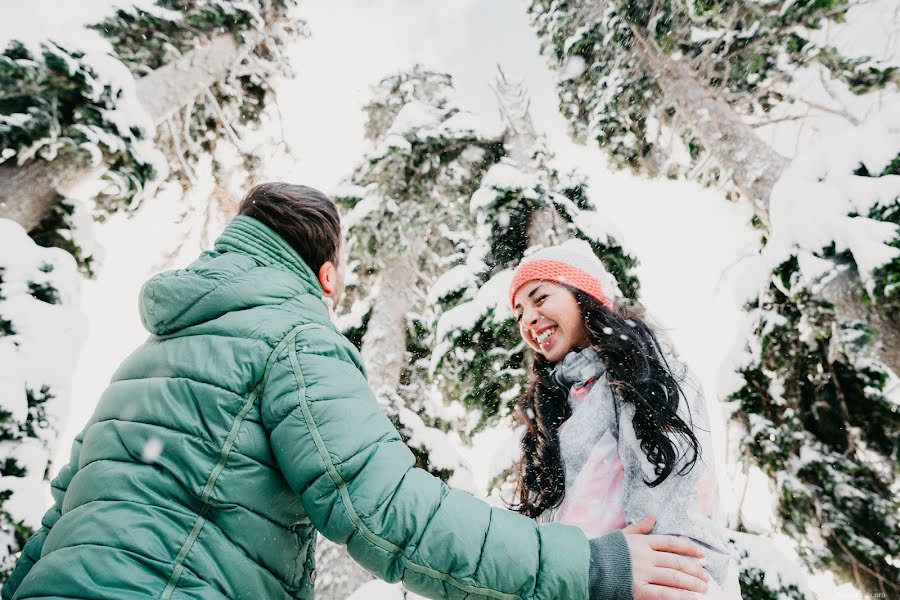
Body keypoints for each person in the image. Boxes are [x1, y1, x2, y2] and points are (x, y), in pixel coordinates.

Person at [3, 184, 711, 600]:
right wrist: (587, 567)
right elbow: (384, 512)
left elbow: (51, 528)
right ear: (327, 275)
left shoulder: (145, 356)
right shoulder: (294, 337)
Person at [508, 240, 741, 599]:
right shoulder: (556, 407)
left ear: (581, 293)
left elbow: (674, 513)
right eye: (519, 312)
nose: (528, 318)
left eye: (540, 299)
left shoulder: (645, 375)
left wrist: (616, 577)